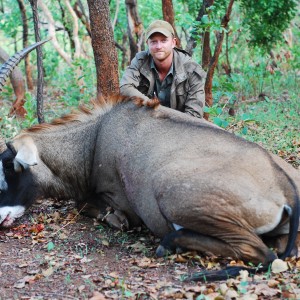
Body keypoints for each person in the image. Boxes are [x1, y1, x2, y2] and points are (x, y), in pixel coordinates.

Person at [120, 20, 206, 118]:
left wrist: (164, 117)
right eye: (153, 42)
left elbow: (194, 115)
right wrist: (152, 105)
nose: (159, 46)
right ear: (147, 43)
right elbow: (125, 87)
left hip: (180, 126)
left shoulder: (191, 69)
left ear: (173, 42)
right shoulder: (140, 60)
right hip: (149, 120)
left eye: (164, 40)